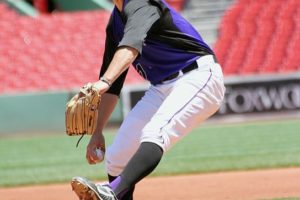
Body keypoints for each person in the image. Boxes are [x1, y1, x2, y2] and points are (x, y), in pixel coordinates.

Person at [71, 0, 225, 199]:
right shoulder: (115, 22)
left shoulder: (142, 4)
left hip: (197, 75)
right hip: (161, 86)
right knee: (117, 157)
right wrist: (97, 131)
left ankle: (112, 192)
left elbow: (129, 48)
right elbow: (113, 87)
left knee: (155, 132)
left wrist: (104, 81)